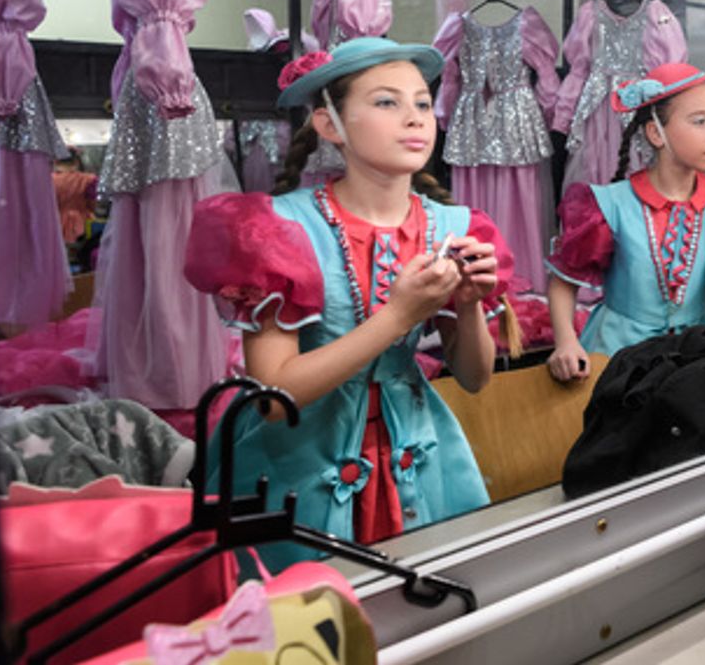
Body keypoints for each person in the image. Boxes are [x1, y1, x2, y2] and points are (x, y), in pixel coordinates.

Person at [185, 36, 514, 570]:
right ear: (329, 125)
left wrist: (471, 304)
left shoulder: (455, 226)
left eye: (423, 103)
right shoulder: (279, 229)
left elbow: (475, 378)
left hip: (422, 464)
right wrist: (400, 316)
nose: (414, 118)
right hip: (296, 473)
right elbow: (273, 396)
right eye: (387, 102)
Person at [545, 62, 705, 381]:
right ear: (656, 133)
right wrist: (565, 342)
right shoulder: (609, 204)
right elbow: (564, 282)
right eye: (699, 121)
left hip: (699, 358)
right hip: (618, 357)